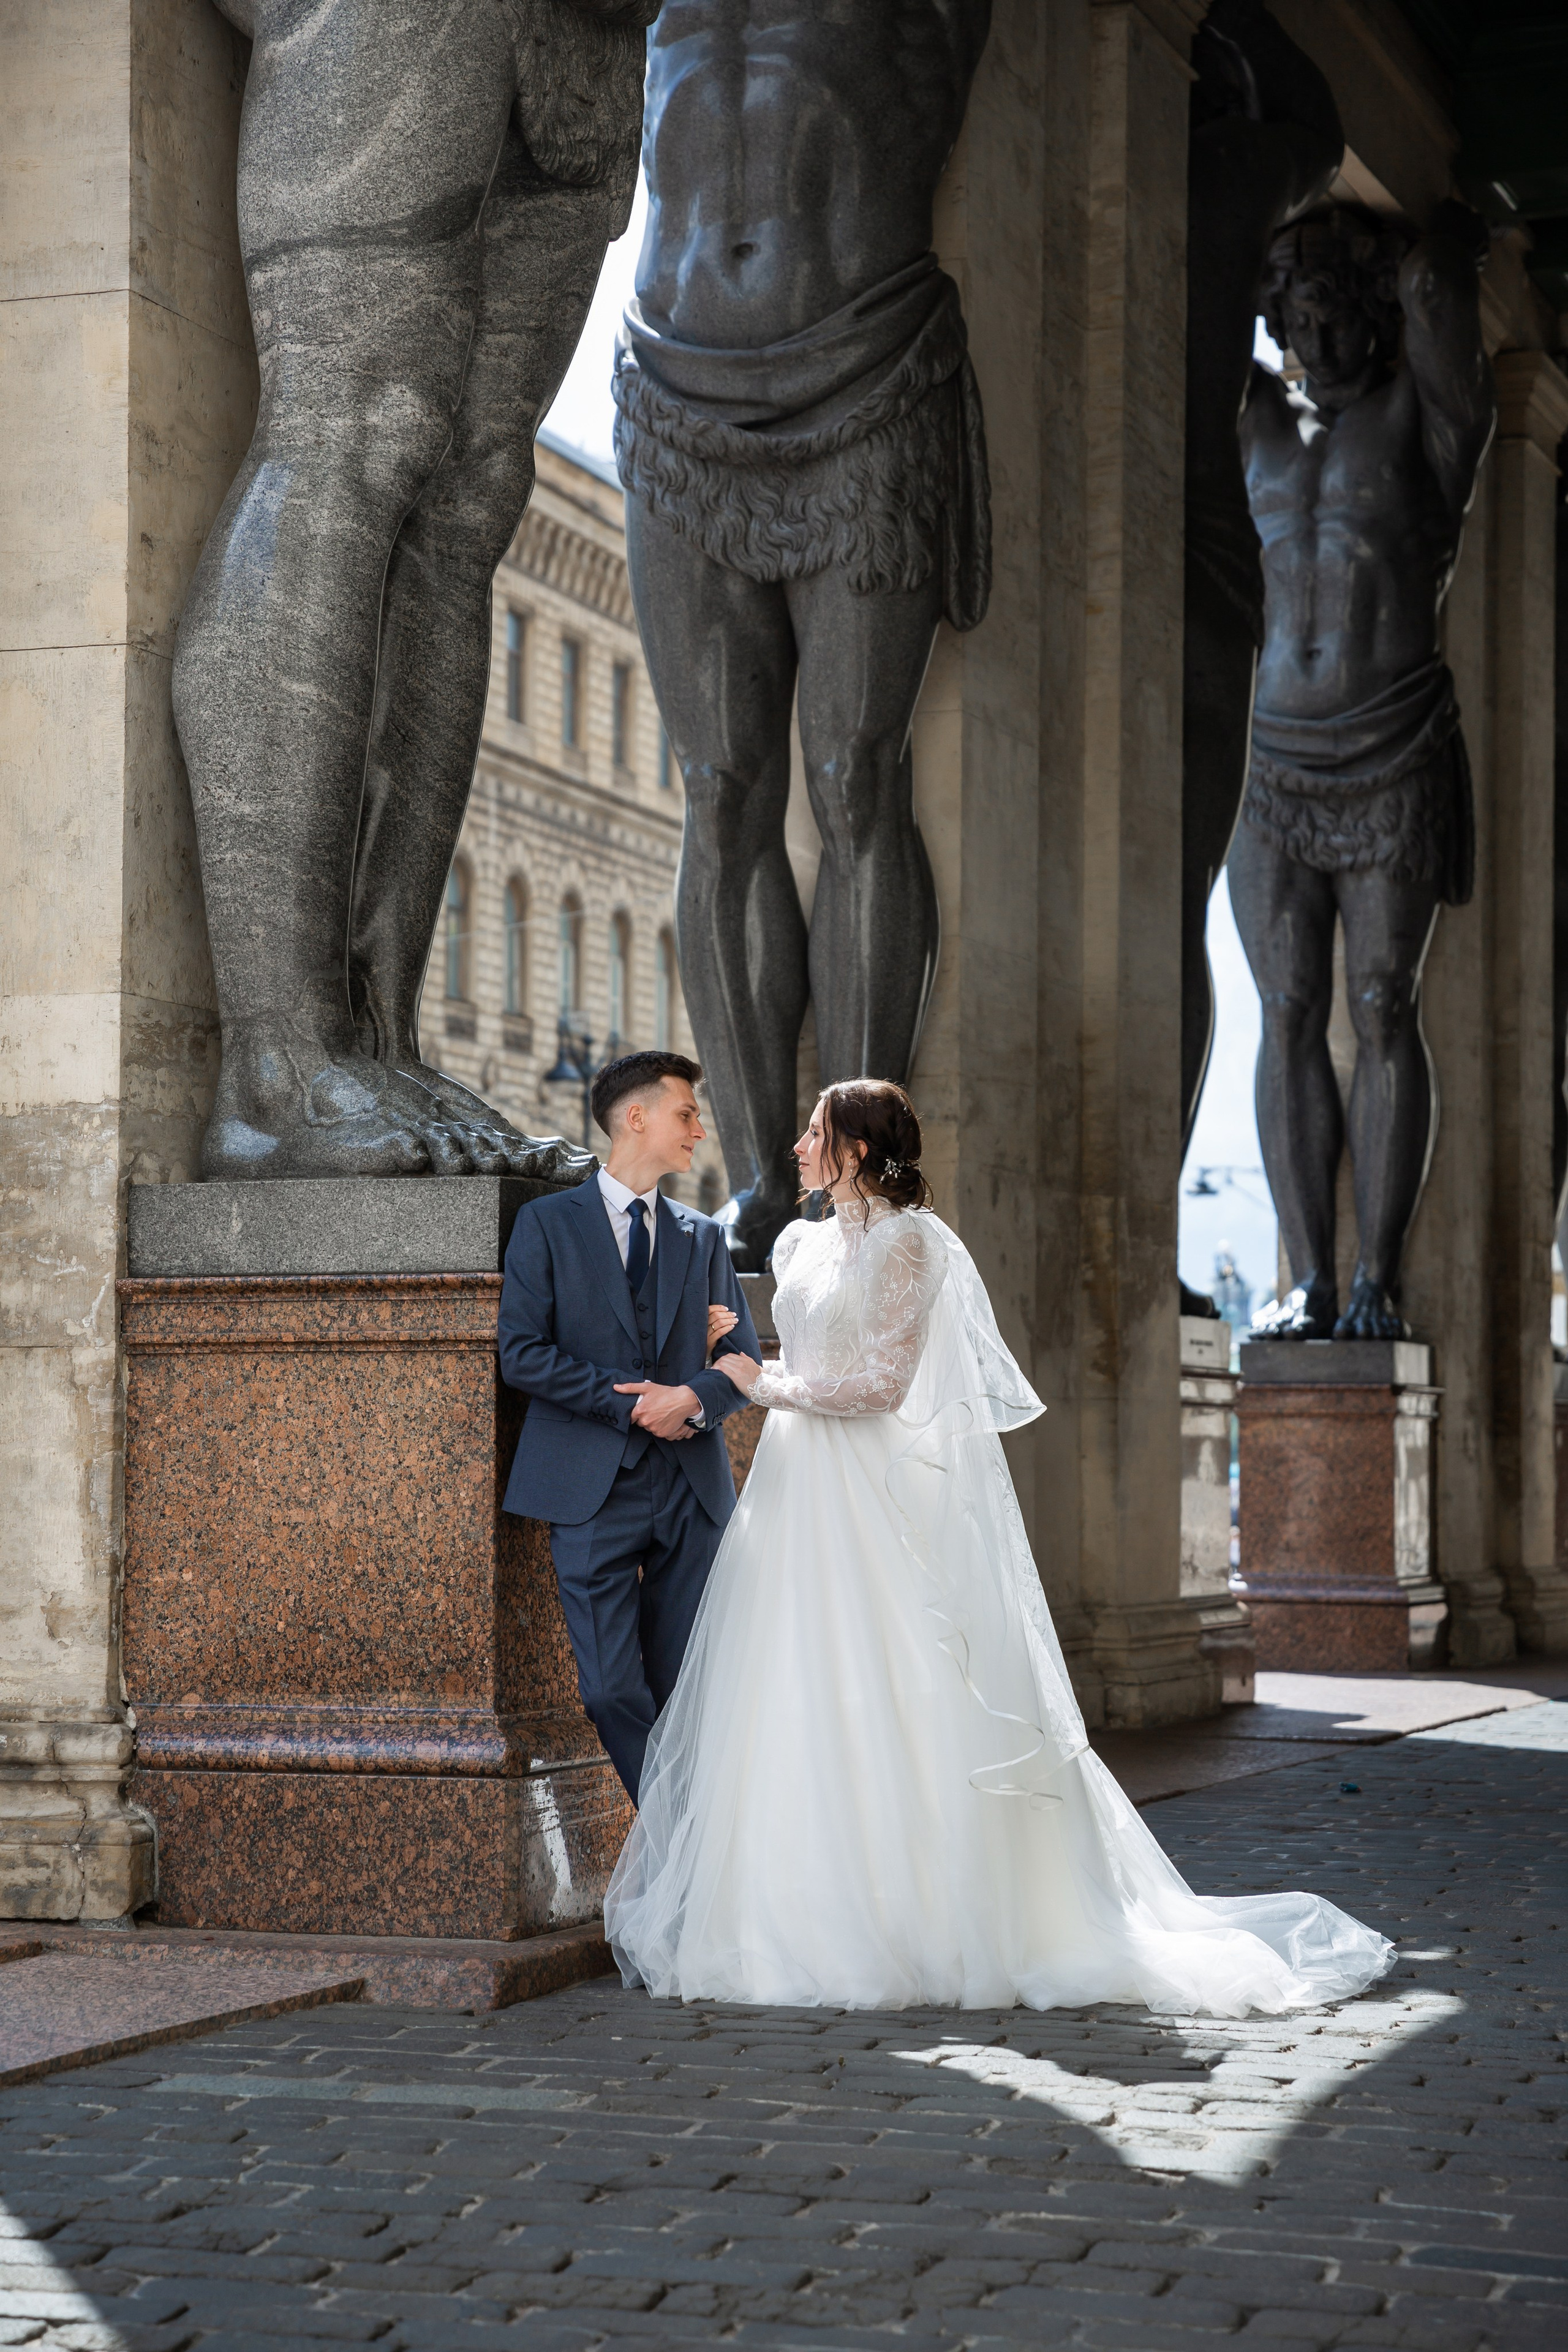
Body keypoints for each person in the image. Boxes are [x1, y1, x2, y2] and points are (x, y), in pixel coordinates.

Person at [605, 1079, 1393, 2014]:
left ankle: (926, 1919)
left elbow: (884, 1385)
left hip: (872, 1487)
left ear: (856, 1150)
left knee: (898, 1680)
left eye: (814, 1132)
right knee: (794, 1681)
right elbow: (809, 1356)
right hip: (798, 1486)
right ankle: (787, 1908)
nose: (797, 1146)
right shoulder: (797, 1241)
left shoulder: (912, 1243)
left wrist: (756, 1384)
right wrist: (744, 1353)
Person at [173, 0, 654, 1183]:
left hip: (591, 35)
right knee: (356, 427)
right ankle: (280, 1066)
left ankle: (377, 1040)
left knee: (474, 496)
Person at [614, 0, 993, 1269]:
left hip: (864, 374)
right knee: (717, 792)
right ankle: (762, 1182)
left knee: (853, 777)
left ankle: (864, 1173)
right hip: (674, 393)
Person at [1231, 200, 1494, 1341]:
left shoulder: (1432, 423)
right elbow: (1176, 290)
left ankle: (1376, 1277)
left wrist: (1440, 245)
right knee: (1284, 1010)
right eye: (1302, 316)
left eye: (1346, 313)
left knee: (1384, 1005)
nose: (1324, 339)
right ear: (1279, 320)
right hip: (1272, 764)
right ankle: (1308, 1276)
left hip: (1392, 745)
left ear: (1383, 317)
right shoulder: (1256, 426)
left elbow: (1445, 317)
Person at [1177, 0, 1342, 1317]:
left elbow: (1324, 129)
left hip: (1183, 558)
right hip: (1196, 564)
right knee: (1184, 926)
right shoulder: (1229, 183)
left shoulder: (1219, 186)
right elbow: (1317, 126)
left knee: (1174, 917)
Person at [498, 1052, 761, 1802]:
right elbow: (521, 1354)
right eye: (686, 1114)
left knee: (685, 1692)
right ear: (635, 1117)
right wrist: (629, 1402)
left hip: (692, 1493)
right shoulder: (546, 1226)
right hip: (588, 1488)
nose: (699, 1131)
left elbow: (741, 1357)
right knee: (611, 1691)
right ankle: (683, 1845)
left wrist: (695, 1397)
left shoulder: (704, 1237)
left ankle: (683, 1866)